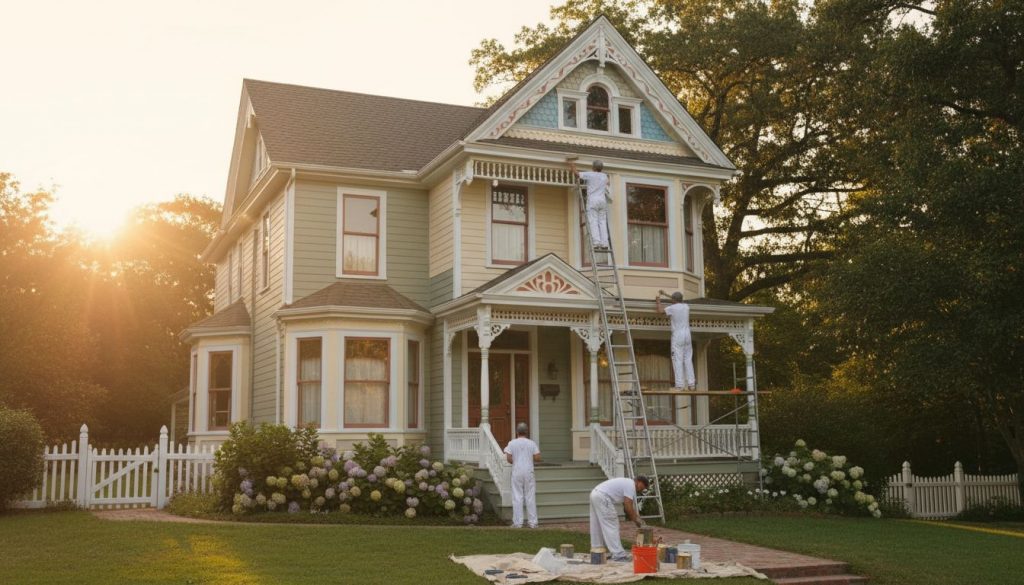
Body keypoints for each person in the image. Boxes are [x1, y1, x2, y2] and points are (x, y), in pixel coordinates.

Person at [589, 476, 650, 562]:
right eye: (642, 487)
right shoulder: (631, 485)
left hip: (595, 494)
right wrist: (637, 521)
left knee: (597, 524)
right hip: (603, 497)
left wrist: (636, 518)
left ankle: (598, 551)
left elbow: (628, 506)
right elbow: (628, 506)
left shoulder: (627, 483)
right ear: (638, 481)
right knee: (612, 524)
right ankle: (618, 555)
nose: (640, 490)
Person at [503, 422, 541, 528]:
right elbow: (538, 457)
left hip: (517, 471)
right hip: (529, 471)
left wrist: (516, 461)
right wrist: (529, 458)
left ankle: (518, 522)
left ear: (517, 432)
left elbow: (508, 458)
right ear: (527, 431)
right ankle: (533, 522)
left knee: (517, 496)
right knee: (530, 496)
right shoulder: (532, 443)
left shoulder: (512, 443)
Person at [656, 290, 695, 390]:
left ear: (673, 300)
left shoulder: (672, 308)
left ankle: (679, 385)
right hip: (687, 335)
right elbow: (678, 300)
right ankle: (691, 384)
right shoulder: (686, 307)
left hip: (678, 336)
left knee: (677, 359)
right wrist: (667, 294)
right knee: (688, 359)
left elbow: (660, 311)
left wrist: (658, 300)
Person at [568, 158, 611, 250]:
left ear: (593, 167)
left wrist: (571, 164)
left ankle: (596, 242)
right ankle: (605, 243)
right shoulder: (605, 176)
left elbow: (577, 174)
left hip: (593, 200)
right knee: (602, 222)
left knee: (593, 221)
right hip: (602, 201)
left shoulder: (590, 174)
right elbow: (608, 183)